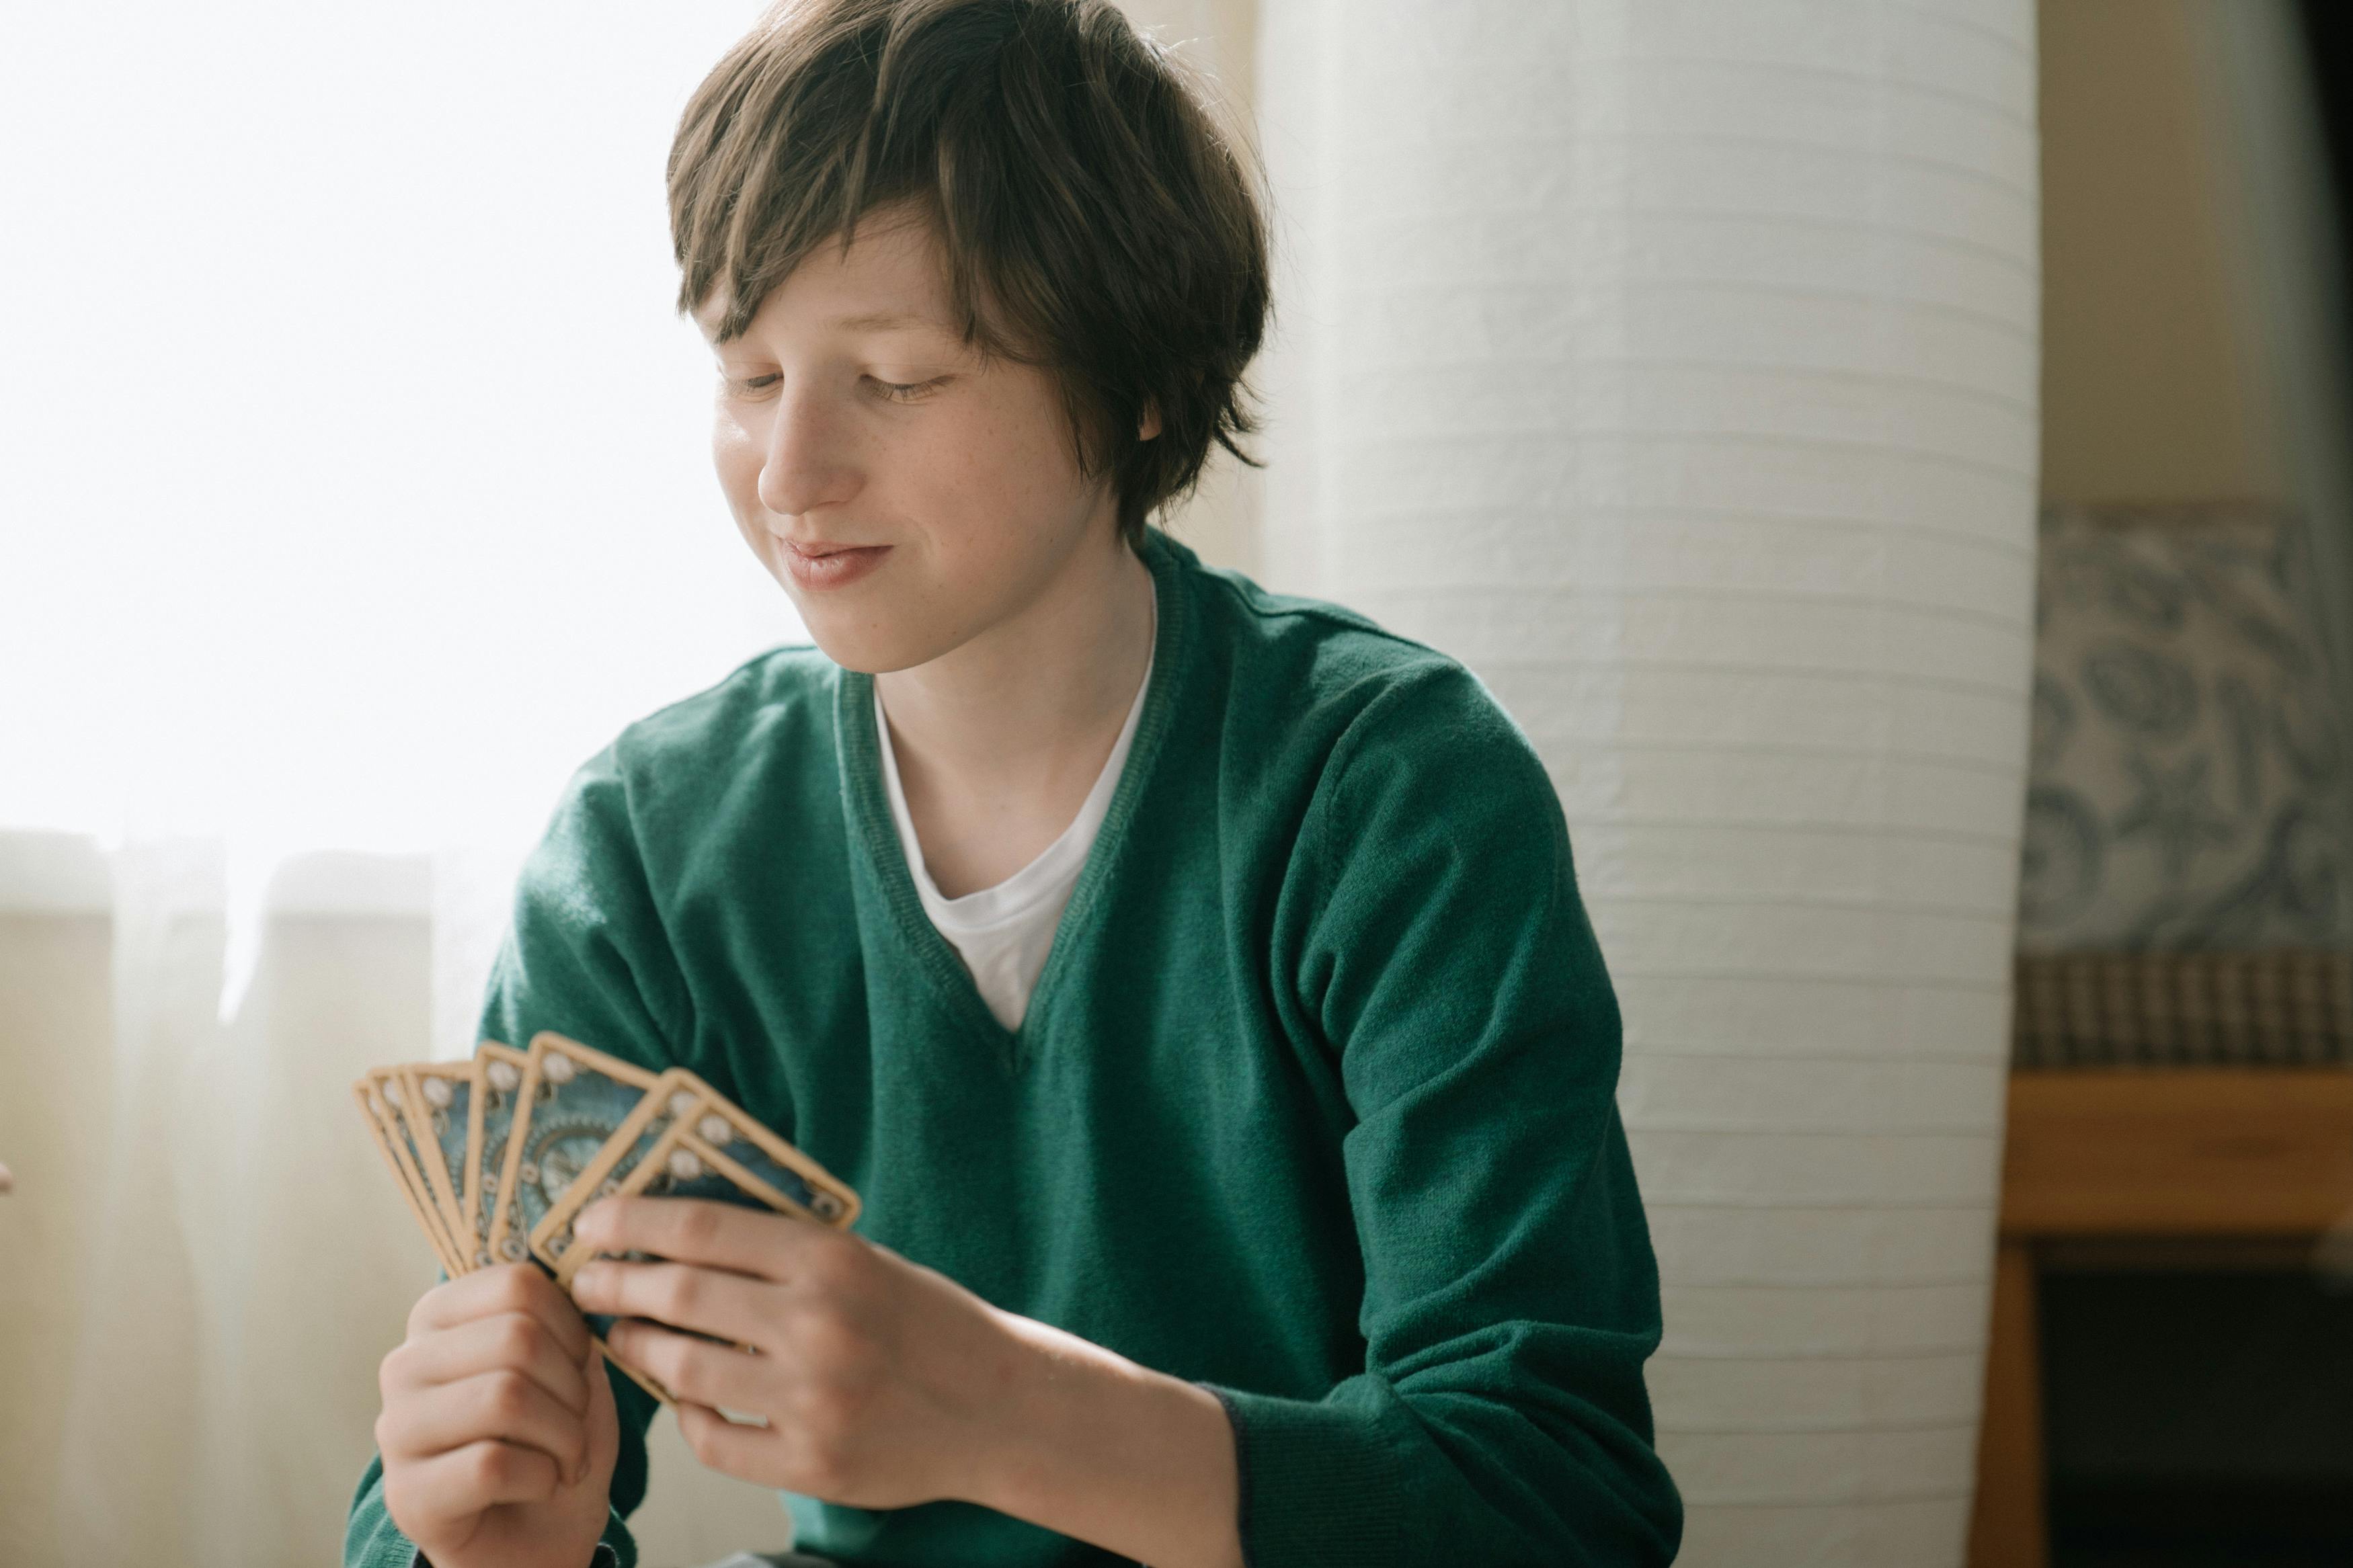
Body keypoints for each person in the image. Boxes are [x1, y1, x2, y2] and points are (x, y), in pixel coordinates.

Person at [343, 1, 1684, 1564]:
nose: (790, 475)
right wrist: (483, 1538)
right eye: (750, 372)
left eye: (896, 377)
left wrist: (994, 1404)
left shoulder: (1389, 792)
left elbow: (1553, 1499)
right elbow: (458, 1495)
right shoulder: (649, 846)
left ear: (1139, 389)